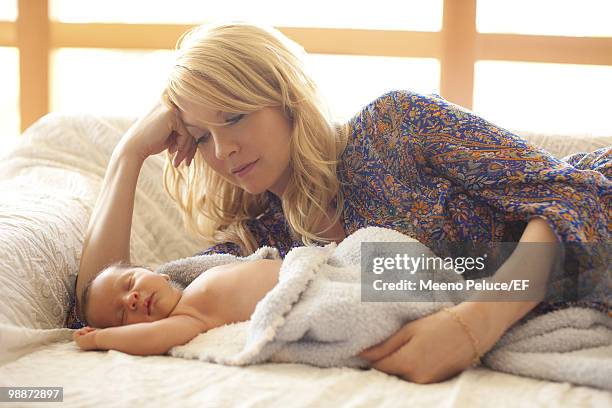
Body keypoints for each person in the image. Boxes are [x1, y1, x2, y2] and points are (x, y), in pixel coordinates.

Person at [73, 21, 610, 384]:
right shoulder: (266, 239)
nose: (225, 149)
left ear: (286, 98)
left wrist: (474, 325)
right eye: (203, 136)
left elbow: (573, 197)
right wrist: (126, 156)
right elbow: (97, 303)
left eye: (234, 116)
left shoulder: (394, 127)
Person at [73, 259, 282, 355]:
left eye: (129, 283)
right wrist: (97, 339)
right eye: (122, 315)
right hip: (297, 294)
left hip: (298, 269)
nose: (130, 300)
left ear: (158, 274)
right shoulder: (188, 317)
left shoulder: (193, 286)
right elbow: (151, 338)